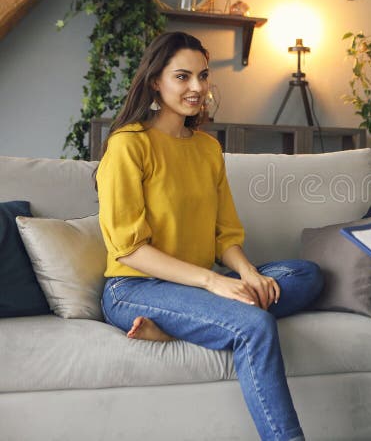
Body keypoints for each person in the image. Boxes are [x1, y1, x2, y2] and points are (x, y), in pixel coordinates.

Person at [96, 31, 323, 441]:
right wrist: (214, 281)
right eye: (182, 77)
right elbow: (128, 248)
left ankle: (183, 325)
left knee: (305, 274)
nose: (197, 88)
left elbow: (225, 234)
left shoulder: (207, 148)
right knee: (254, 326)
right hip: (135, 288)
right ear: (155, 82)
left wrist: (247, 272)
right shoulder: (128, 145)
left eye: (203, 76)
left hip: (198, 287)